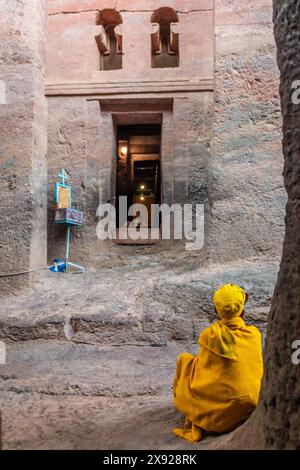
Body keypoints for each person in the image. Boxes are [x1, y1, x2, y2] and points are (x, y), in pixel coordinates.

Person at [173, 283, 263, 443]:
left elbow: (204, 373)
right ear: (242, 311)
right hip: (248, 406)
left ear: (216, 311)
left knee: (186, 361)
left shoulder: (211, 336)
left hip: (219, 417)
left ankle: (203, 409)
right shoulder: (254, 335)